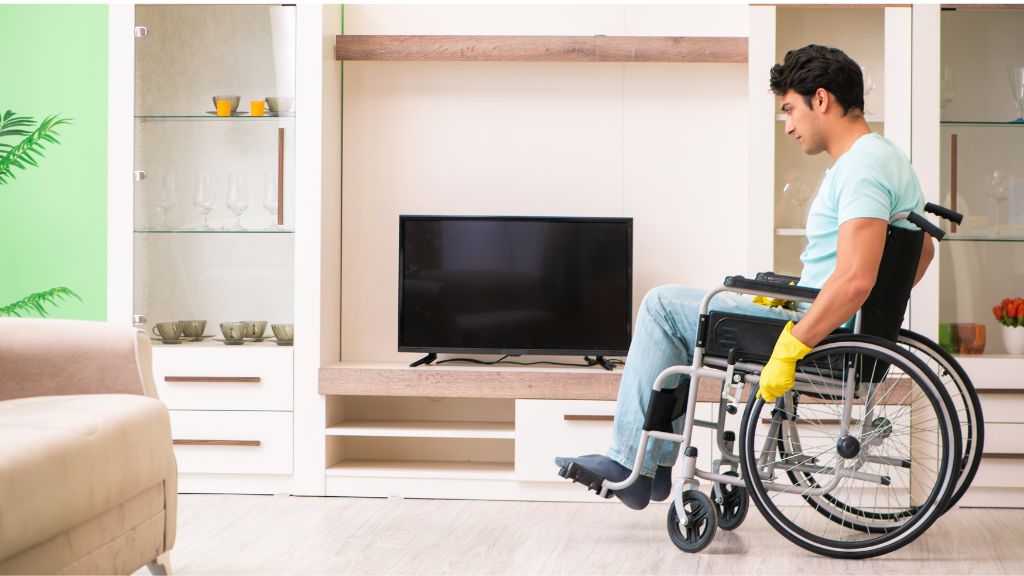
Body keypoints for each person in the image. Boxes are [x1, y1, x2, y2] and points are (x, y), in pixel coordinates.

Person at [556, 44, 935, 510]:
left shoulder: (861, 166)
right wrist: (867, 311)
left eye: (790, 110)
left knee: (661, 305)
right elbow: (923, 251)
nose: (790, 126)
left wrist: (797, 341)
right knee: (692, 313)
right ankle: (649, 465)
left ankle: (633, 463)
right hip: (820, 315)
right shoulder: (889, 157)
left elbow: (856, 280)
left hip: (810, 328)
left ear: (821, 100)